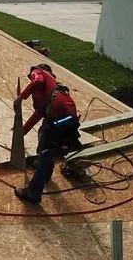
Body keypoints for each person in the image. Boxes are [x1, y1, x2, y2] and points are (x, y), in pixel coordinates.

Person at [12, 66, 82, 204]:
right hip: (67, 119)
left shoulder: (39, 72)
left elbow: (37, 81)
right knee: (44, 133)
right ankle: (45, 173)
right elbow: (40, 113)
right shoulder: (48, 94)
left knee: (46, 150)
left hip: (62, 119)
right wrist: (23, 131)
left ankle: (33, 193)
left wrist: (21, 97)